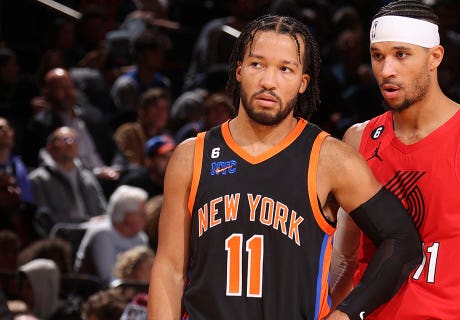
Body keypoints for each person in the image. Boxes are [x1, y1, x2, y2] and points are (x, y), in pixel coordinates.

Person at [148, 14, 422, 320]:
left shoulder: (329, 158)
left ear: (303, 82)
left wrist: (347, 314)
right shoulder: (191, 156)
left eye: (285, 69)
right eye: (257, 65)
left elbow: (402, 242)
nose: (268, 81)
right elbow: (170, 268)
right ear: (239, 70)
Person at [333, 1, 460, 319]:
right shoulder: (357, 140)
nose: (387, 71)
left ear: (434, 57)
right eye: (377, 56)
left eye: (401, 54)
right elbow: (343, 258)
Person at [28, 127, 108, 233]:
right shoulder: (38, 179)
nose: (70, 143)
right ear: (50, 146)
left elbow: (102, 209)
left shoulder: (87, 176)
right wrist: (85, 222)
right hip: (62, 237)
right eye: (65, 139)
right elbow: (44, 219)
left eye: (74, 140)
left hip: (95, 233)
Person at [74, 185, 148, 284]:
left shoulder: (140, 238)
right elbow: (108, 278)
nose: (146, 219)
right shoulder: (103, 235)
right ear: (128, 216)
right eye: (142, 214)